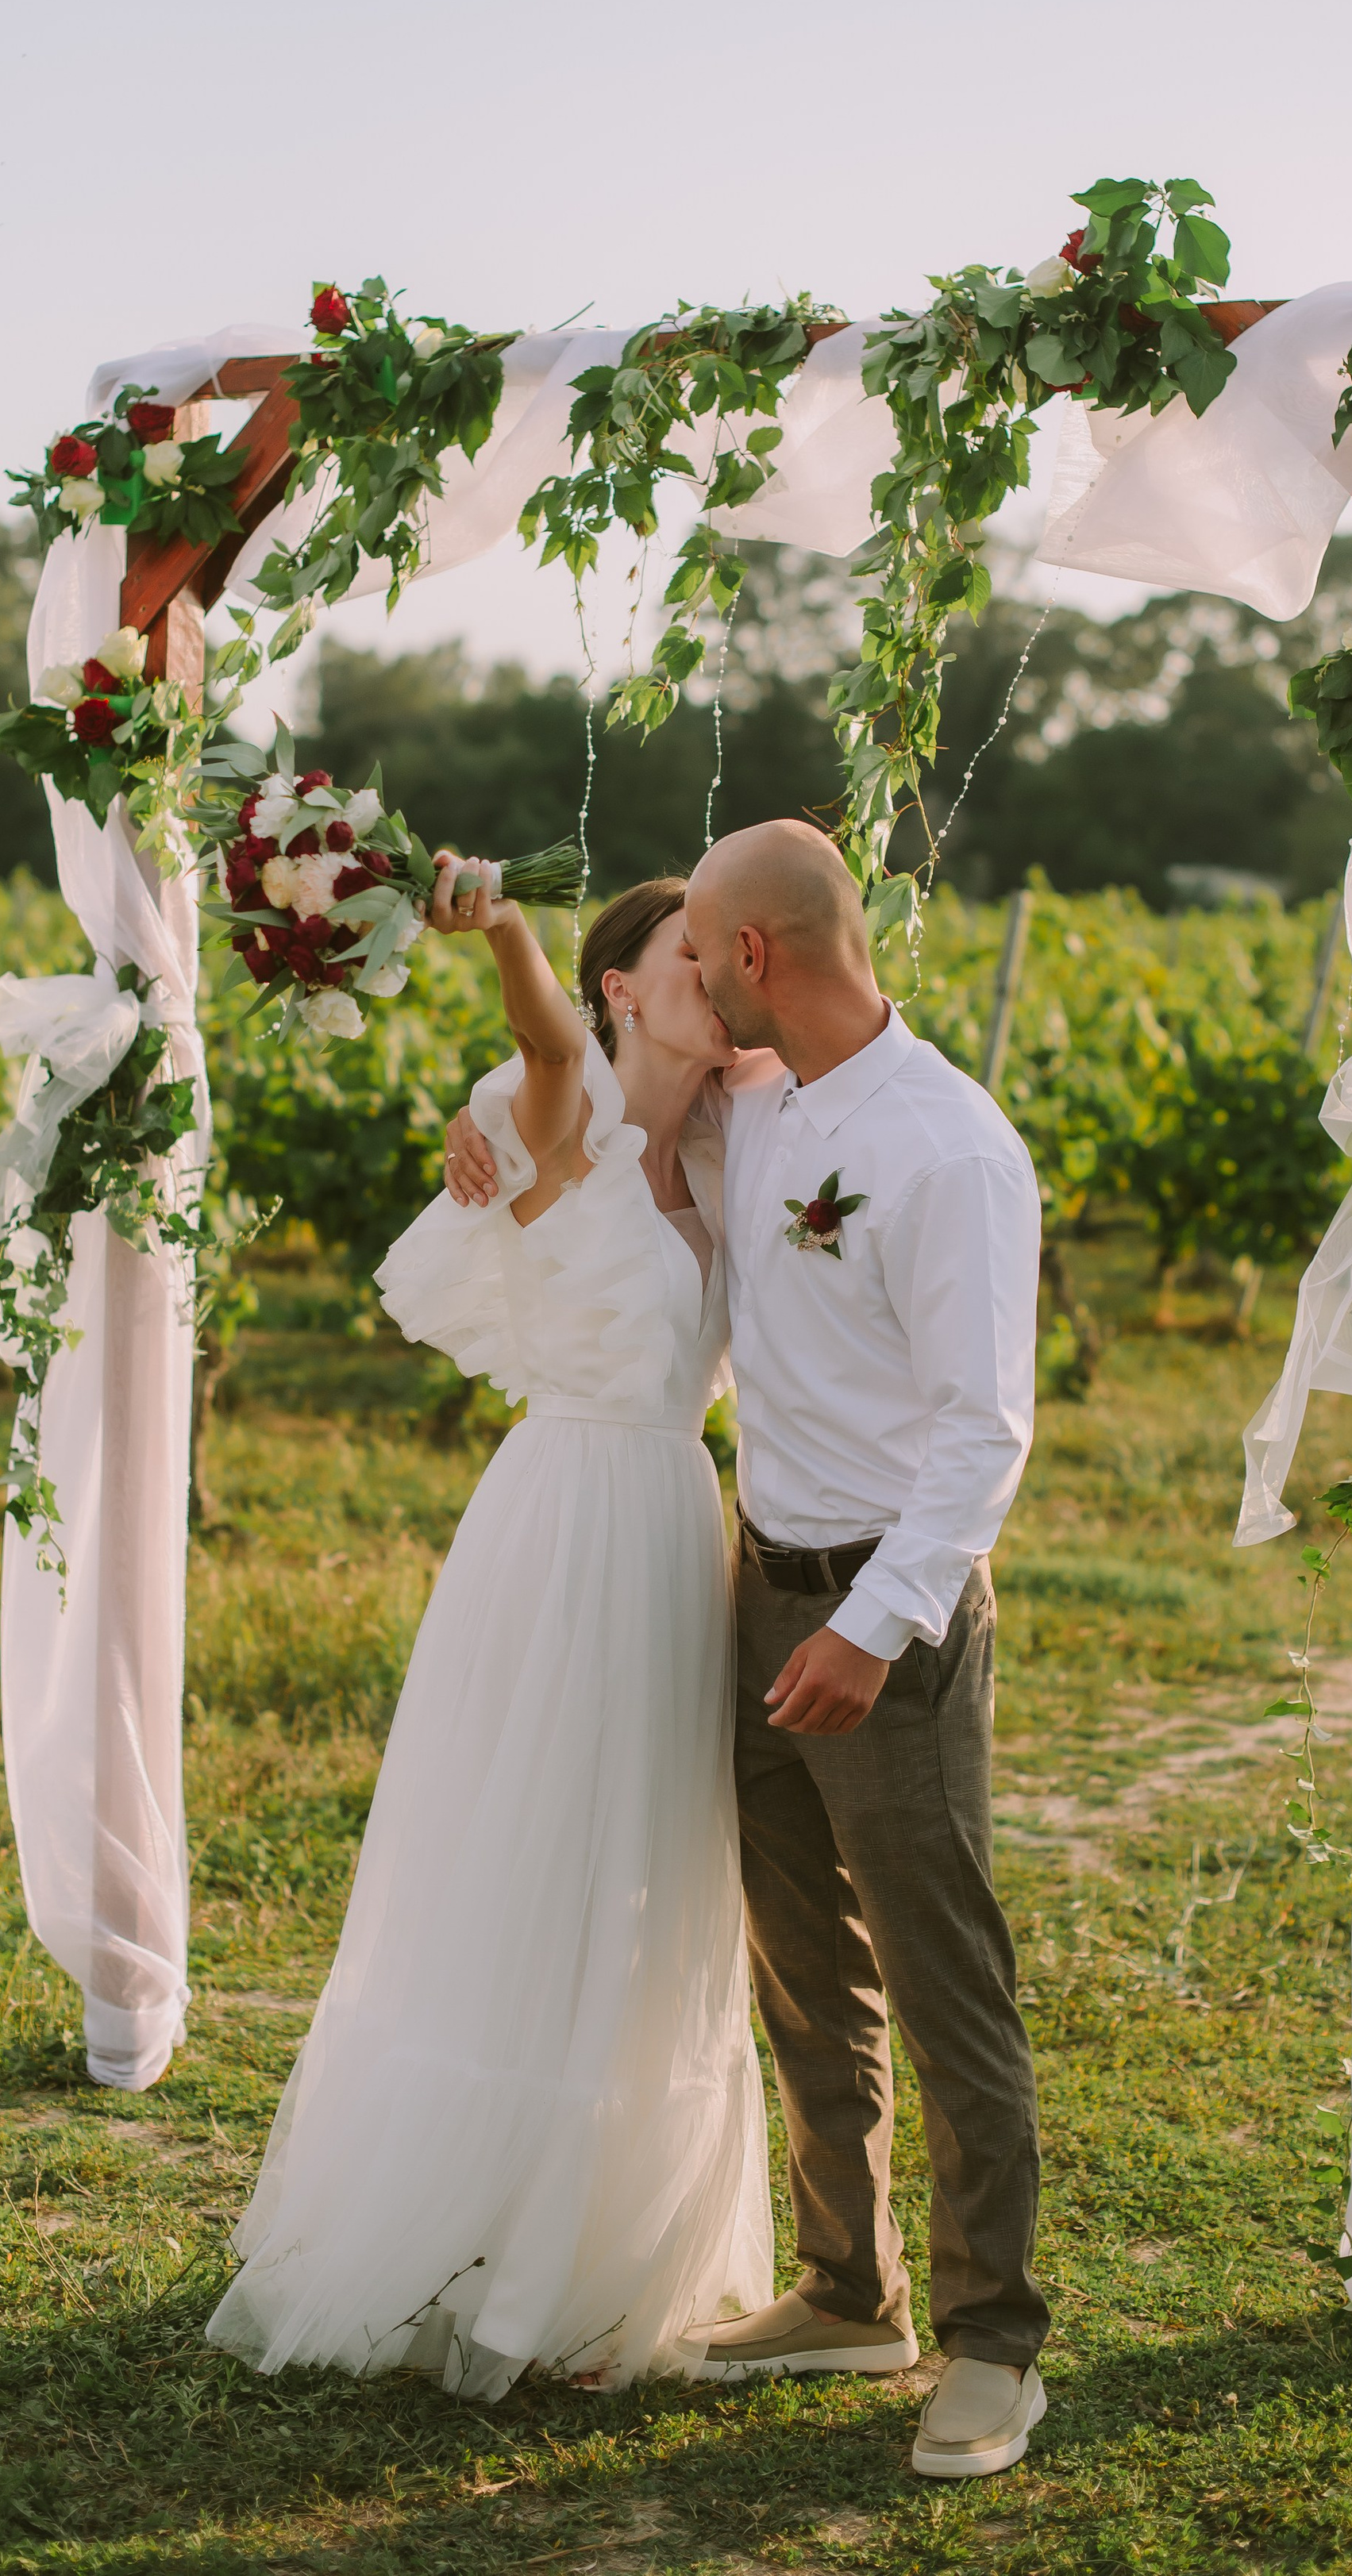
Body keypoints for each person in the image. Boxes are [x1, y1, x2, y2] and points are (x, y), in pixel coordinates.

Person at [444, 819, 1050, 2481]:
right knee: (800, 1961)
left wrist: (871, 1627)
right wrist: (486, 1120)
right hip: (751, 1591)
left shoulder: (948, 1152)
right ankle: (848, 2288)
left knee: (941, 1975)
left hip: (882, 1620)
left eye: (696, 948)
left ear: (758, 958)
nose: (676, 969)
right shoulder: (751, 1102)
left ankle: (995, 2341)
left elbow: (981, 1434)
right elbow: (580, 1096)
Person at [206, 866, 772, 2399]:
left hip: (677, 1527)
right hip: (564, 1520)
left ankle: (602, 2247)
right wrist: (513, 930)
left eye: (728, 952)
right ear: (621, 989)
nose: (717, 970)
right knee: (531, 1848)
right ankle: (485, 2236)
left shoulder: (735, 1142)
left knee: (649, 1868)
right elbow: (531, 1039)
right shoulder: (551, 1114)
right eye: (684, 953)